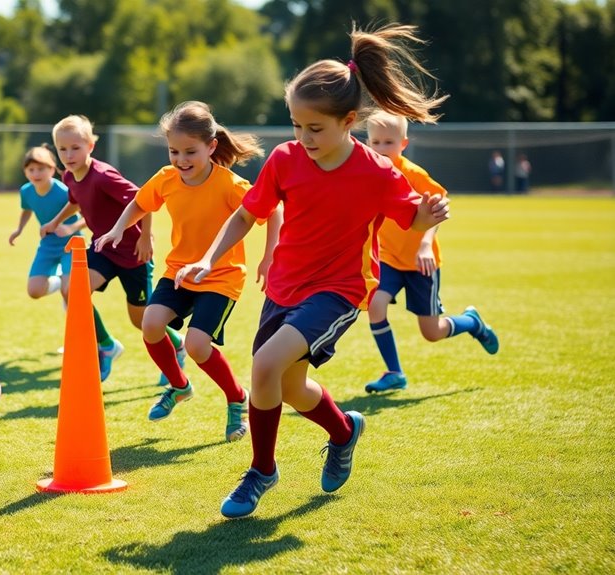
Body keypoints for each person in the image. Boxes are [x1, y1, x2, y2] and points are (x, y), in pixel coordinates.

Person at [175, 23, 451, 519]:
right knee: (286, 386)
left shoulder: (376, 170)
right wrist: (207, 258)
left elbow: (411, 214)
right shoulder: (285, 159)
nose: (303, 138)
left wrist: (427, 218)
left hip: (340, 290)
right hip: (283, 288)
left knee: (263, 366)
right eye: (296, 126)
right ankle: (344, 431)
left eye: (315, 128)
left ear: (349, 121)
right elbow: (245, 215)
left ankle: (261, 472)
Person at [95, 101, 281, 442]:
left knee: (197, 345)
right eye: (173, 151)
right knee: (150, 324)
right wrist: (119, 229)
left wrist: (270, 256)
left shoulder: (230, 184)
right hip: (180, 270)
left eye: (190, 152)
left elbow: (274, 211)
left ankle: (237, 398)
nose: (181, 160)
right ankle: (179, 386)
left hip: (222, 276)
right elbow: (139, 202)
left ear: (211, 147)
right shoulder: (167, 179)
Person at [40, 115, 186, 384]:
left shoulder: (104, 176)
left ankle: (177, 345)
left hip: (134, 255)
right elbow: (75, 201)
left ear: (90, 147)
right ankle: (106, 346)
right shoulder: (70, 176)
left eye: (76, 147)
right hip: (104, 248)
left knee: (141, 321)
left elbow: (143, 198)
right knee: (72, 290)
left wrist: (145, 238)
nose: (69, 154)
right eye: (62, 149)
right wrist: (55, 221)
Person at [363, 111, 499, 394]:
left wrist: (425, 244)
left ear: (403, 144)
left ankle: (472, 322)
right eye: (375, 142)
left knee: (432, 332)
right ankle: (394, 372)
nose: (380, 149)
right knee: (375, 306)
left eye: (388, 142)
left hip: (420, 263)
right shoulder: (369, 172)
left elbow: (440, 206)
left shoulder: (413, 175)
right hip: (388, 258)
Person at [8, 144, 86, 332]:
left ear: (52, 169)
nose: (36, 173)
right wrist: (19, 230)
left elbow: (88, 216)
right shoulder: (26, 191)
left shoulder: (64, 191)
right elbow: (26, 209)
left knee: (70, 293)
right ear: (25, 172)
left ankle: (74, 337)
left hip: (72, 244)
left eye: (41, 168)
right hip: (48, 244)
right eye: (31, 169)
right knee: (34, 291)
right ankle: (58, 281)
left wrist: (70, 228)